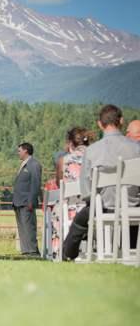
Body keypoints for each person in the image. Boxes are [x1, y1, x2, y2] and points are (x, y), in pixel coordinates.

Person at [63, 105, 140, 261]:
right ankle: (132, 251)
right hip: (133, 205)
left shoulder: (92, 151)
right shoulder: (136, 148)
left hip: (102, 207)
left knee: (78, 222)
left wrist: (97, 201)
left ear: (100, 124)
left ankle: (67, 256)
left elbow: (86, 191)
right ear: (121, 121)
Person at [50, 127, 96, 257]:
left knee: (59, 207)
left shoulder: (63, 161)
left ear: (71, 143)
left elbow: (60, 185)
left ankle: (60, 253)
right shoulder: (96, 158)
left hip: (70, 210)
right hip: (93, 209)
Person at [13, 143, 42, 257]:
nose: (18, 153)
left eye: (19, 151)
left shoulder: (34, 164)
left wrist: (31, 201)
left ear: (25, 151)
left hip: (26, 202)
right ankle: (25, 252)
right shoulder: (23, 165)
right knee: (22, 229)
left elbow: (35, 185)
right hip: (18, 202)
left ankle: (34, 252)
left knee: (29, 228)